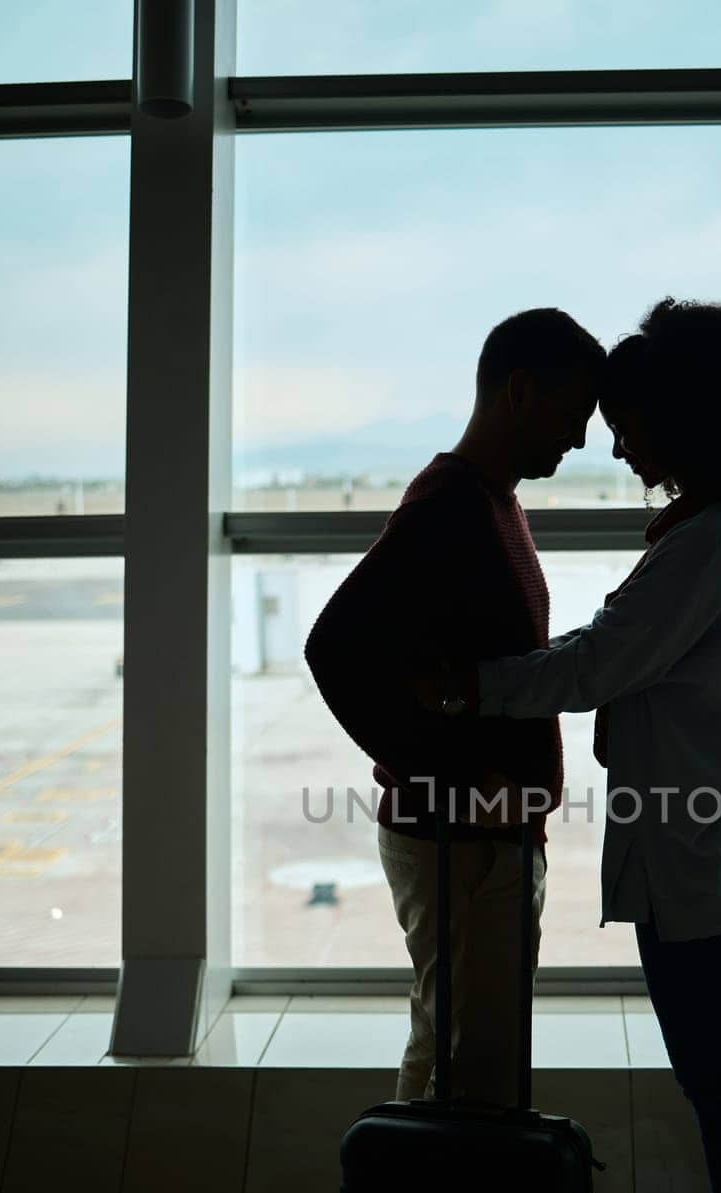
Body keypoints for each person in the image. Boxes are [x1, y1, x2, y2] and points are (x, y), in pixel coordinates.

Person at [430, 297, 721, 1193]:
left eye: (629, 417)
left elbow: (596, 664)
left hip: (686, 842)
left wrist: (465, 691)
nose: (614, 436)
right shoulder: (715, 529)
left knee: (717, 1078)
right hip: (689, 835)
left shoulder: (706, 543)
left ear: (677, 417)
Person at [304, 308, 603, 1107]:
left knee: (449, 1042)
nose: (579, 440)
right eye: (573, 414)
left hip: (477, 839)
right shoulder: (450, 504)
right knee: (476, 1065)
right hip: (458, 841)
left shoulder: (493, 502)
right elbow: (333, 647)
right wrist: (450, 781)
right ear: (518, 392)